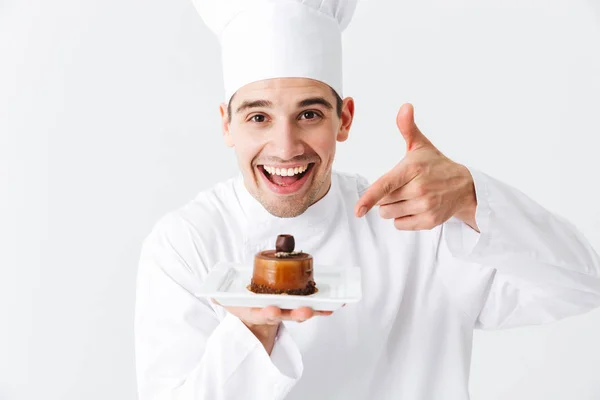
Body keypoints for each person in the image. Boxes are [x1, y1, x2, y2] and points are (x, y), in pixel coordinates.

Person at [133, 0, 600, 399]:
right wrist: (253, 331)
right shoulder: (186, 244)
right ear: (226, 125)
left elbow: (584, 286)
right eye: (258, 117)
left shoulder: (418, 226)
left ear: (345, 119)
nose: (286, 146)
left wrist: (471, 197)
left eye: (309, 114)